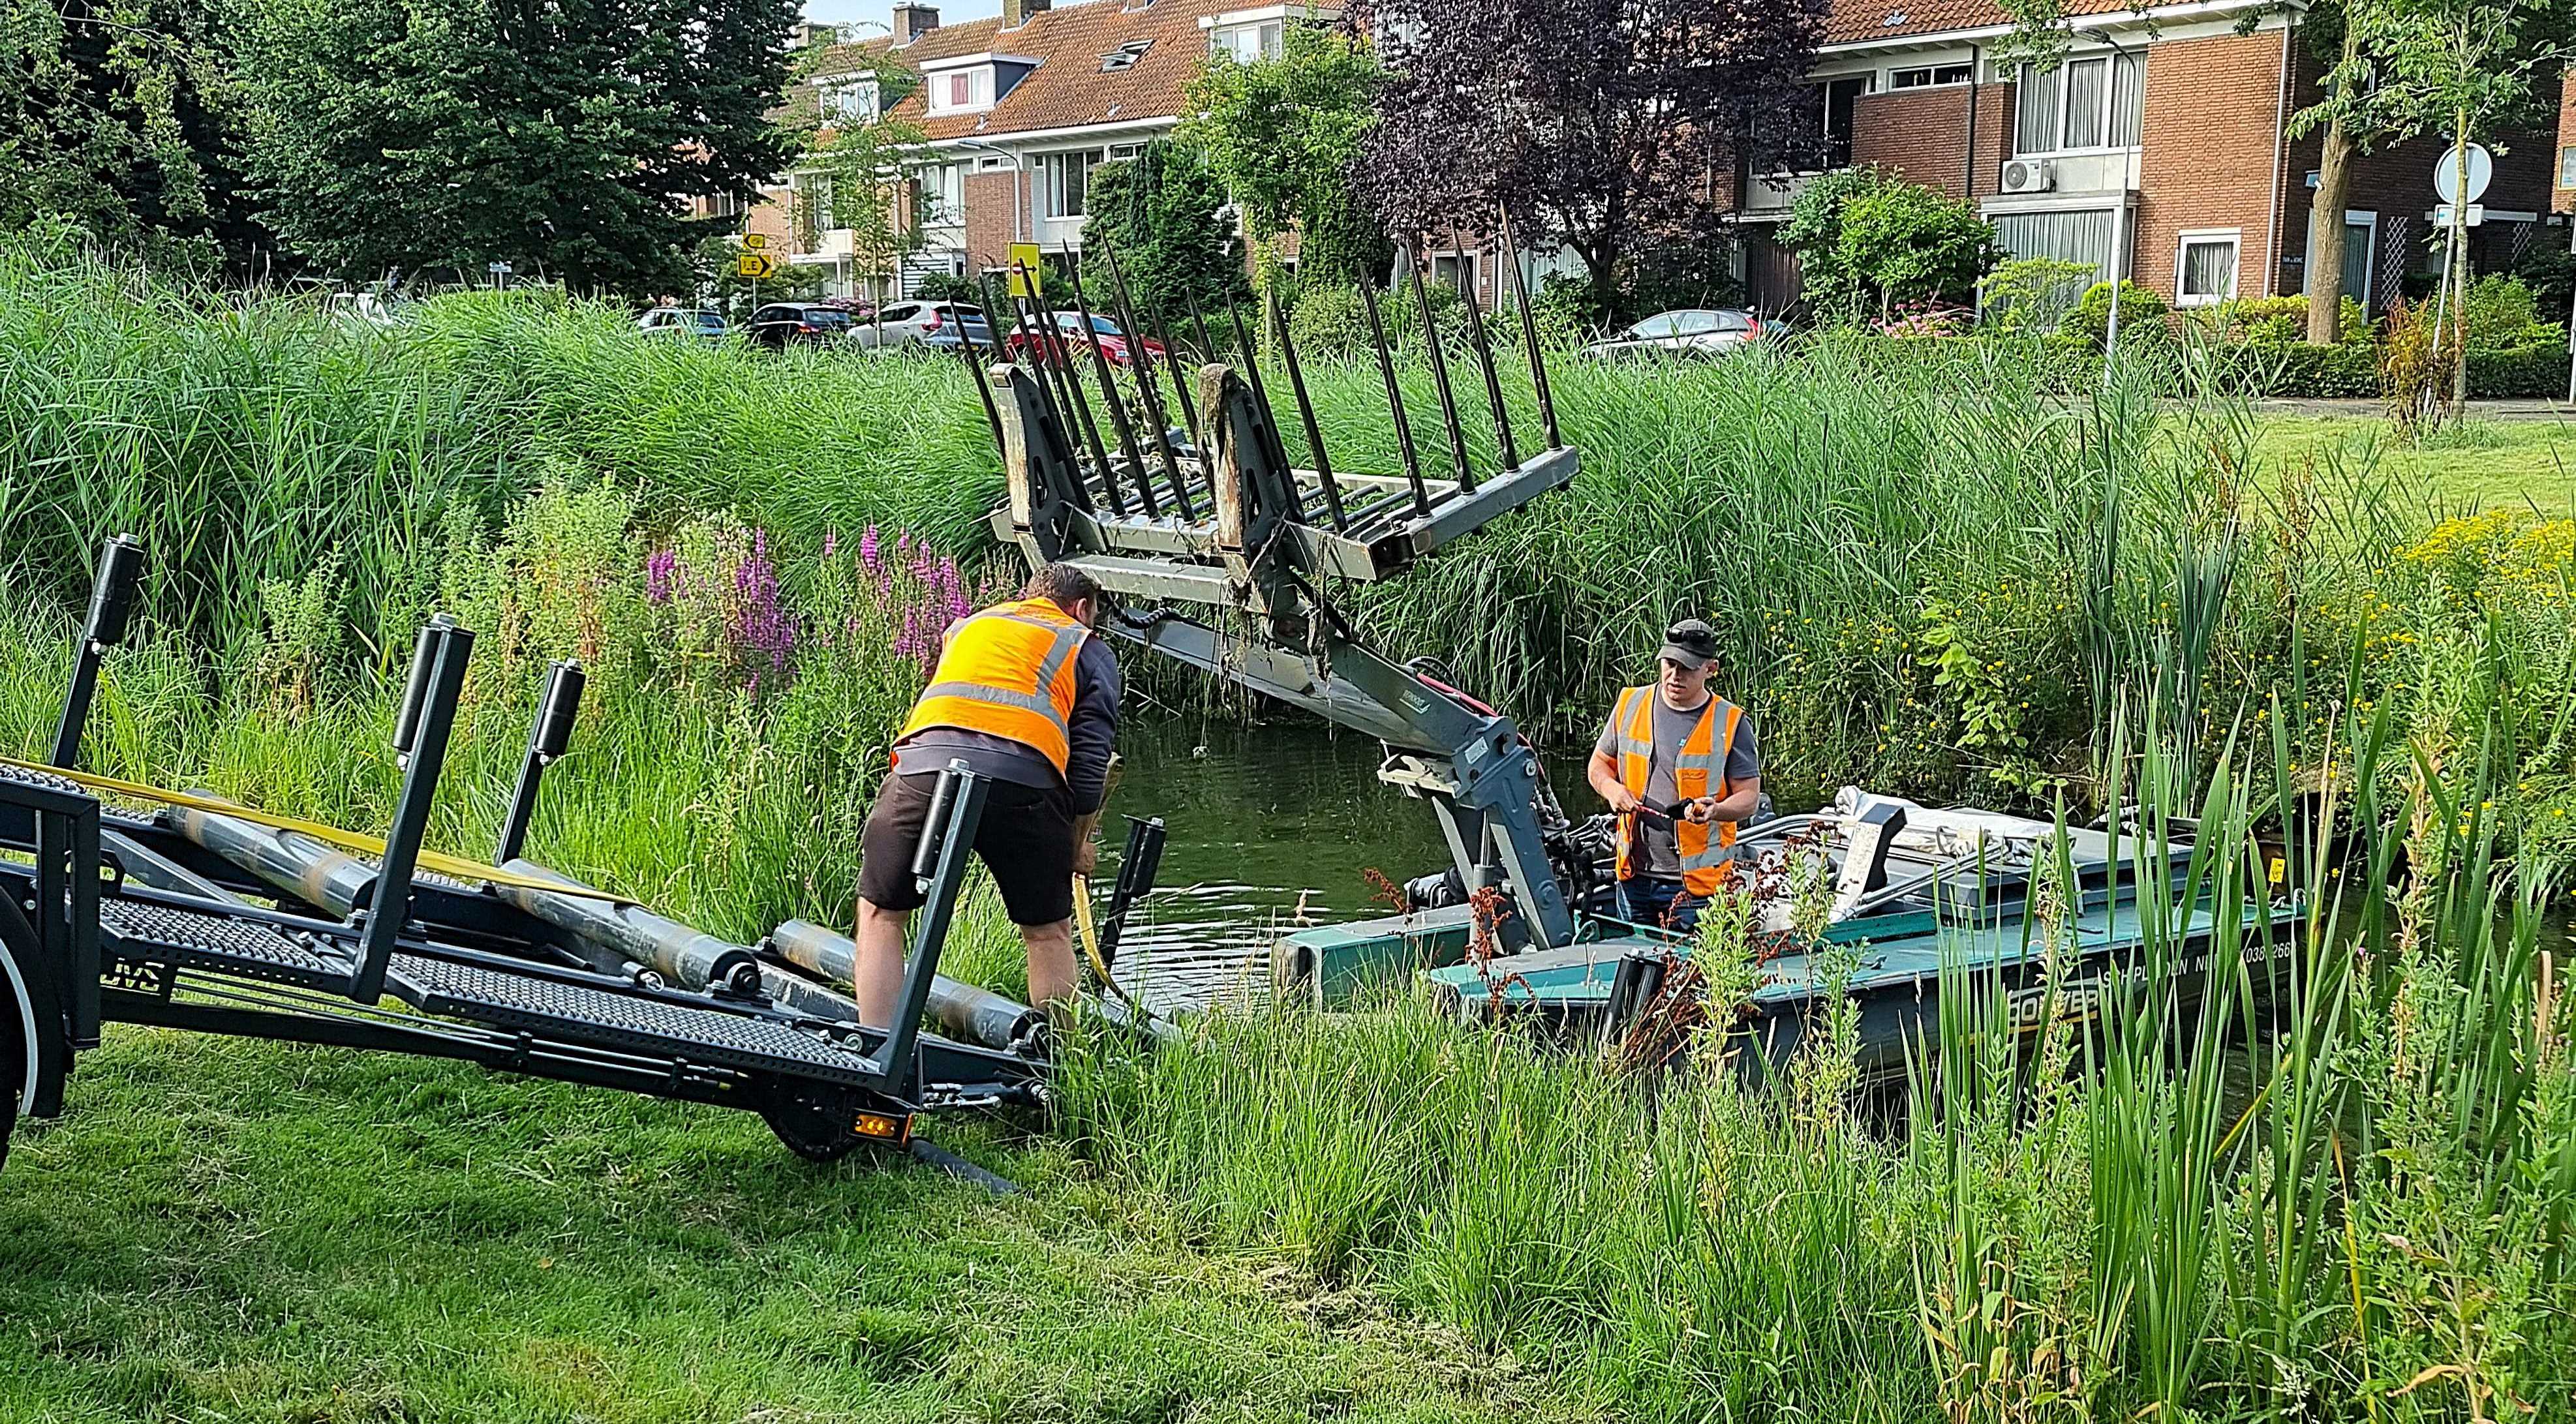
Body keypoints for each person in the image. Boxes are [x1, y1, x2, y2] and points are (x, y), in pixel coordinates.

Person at [853, 562, 1121, 1024]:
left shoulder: (969, 626)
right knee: (1047, 933)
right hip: (1026, 779)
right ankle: (1058, 1070)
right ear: (1081, 608)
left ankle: (877, 1060)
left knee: (881, 914)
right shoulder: (1087, 647)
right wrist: (1075, 847)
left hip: (922, 766)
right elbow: (1089, 769)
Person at [1586, 618, 1760, 932]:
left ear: (1711, 669)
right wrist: (1612, 790)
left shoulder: (1731, 722)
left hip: (1696, 891)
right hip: (1633, 878)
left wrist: (1716, 811)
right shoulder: (1630, 704)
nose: (1675, 675)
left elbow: (1749, 798)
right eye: (1669, 664)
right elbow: (1598, 765)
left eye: (1687, 668)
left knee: (1690, 977)